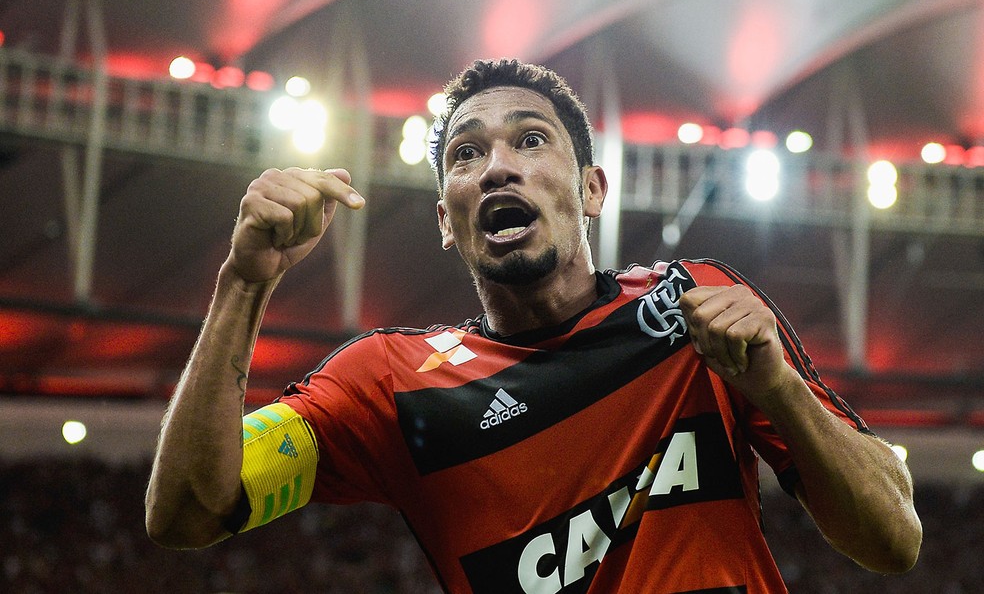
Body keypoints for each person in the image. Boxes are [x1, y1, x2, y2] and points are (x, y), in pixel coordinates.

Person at [145, 59, 921, 593]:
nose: (496, 169)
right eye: (466, 153)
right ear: (446, 221)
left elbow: (894, 539)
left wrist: (777, 388)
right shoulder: (389, 386)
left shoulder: (696, 308)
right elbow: (186, 511)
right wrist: (243, 284)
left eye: (529, 139)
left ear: (591, 189)